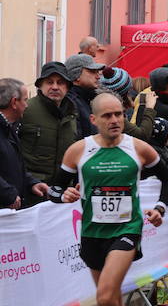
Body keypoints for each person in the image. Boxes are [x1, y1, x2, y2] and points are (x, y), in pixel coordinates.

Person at [49, 92, 168, 306]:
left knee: (105, 297)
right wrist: (63, 195)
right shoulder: (79, 151)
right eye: (107, 116)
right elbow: (55, 188)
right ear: (93, 120)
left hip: (126, 229)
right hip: (92, 234)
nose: (115, 120)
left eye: (119, 114)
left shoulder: (138, 148)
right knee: (113, 299)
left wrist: (159, 208)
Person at [19, 62, 79, 207]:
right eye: (49, 82)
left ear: (68, 87)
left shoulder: (72, 113)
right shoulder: (26, 110)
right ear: (40, 85)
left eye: (60, 82)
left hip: (62, 195)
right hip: (31, 193)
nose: (55, 87)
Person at [0, 79, 49, 209]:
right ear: (14, 102)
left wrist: (31, 183)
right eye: (25, 100)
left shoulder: (8, 128)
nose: (27, 105)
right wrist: (7, 194)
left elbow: (14, 167)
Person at [65, 53, 105, 137]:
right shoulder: (70, 102)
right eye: (92, 71)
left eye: (98, 72)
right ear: (76, 75)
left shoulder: (88, 98)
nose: (98, 76)